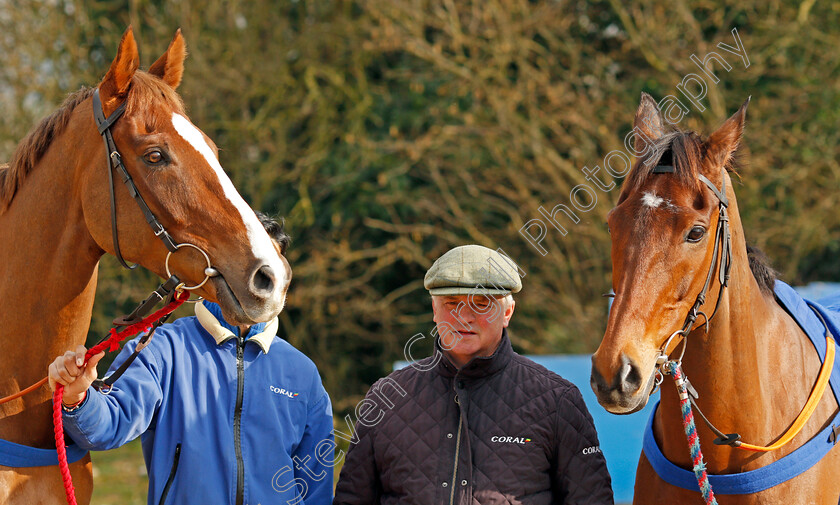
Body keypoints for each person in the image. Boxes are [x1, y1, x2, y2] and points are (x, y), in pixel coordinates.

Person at [48, 213, 333, 505]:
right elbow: (110, 424)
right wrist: (78, 397)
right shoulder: (162, 349)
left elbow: (316, 486)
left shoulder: (302, 373)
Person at [333, 245, 614, 504]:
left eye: (481, 303)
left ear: (508, 312)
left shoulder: (557, 401)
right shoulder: (387, 398)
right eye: (452, 303)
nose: (463, 317)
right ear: (434, 310)